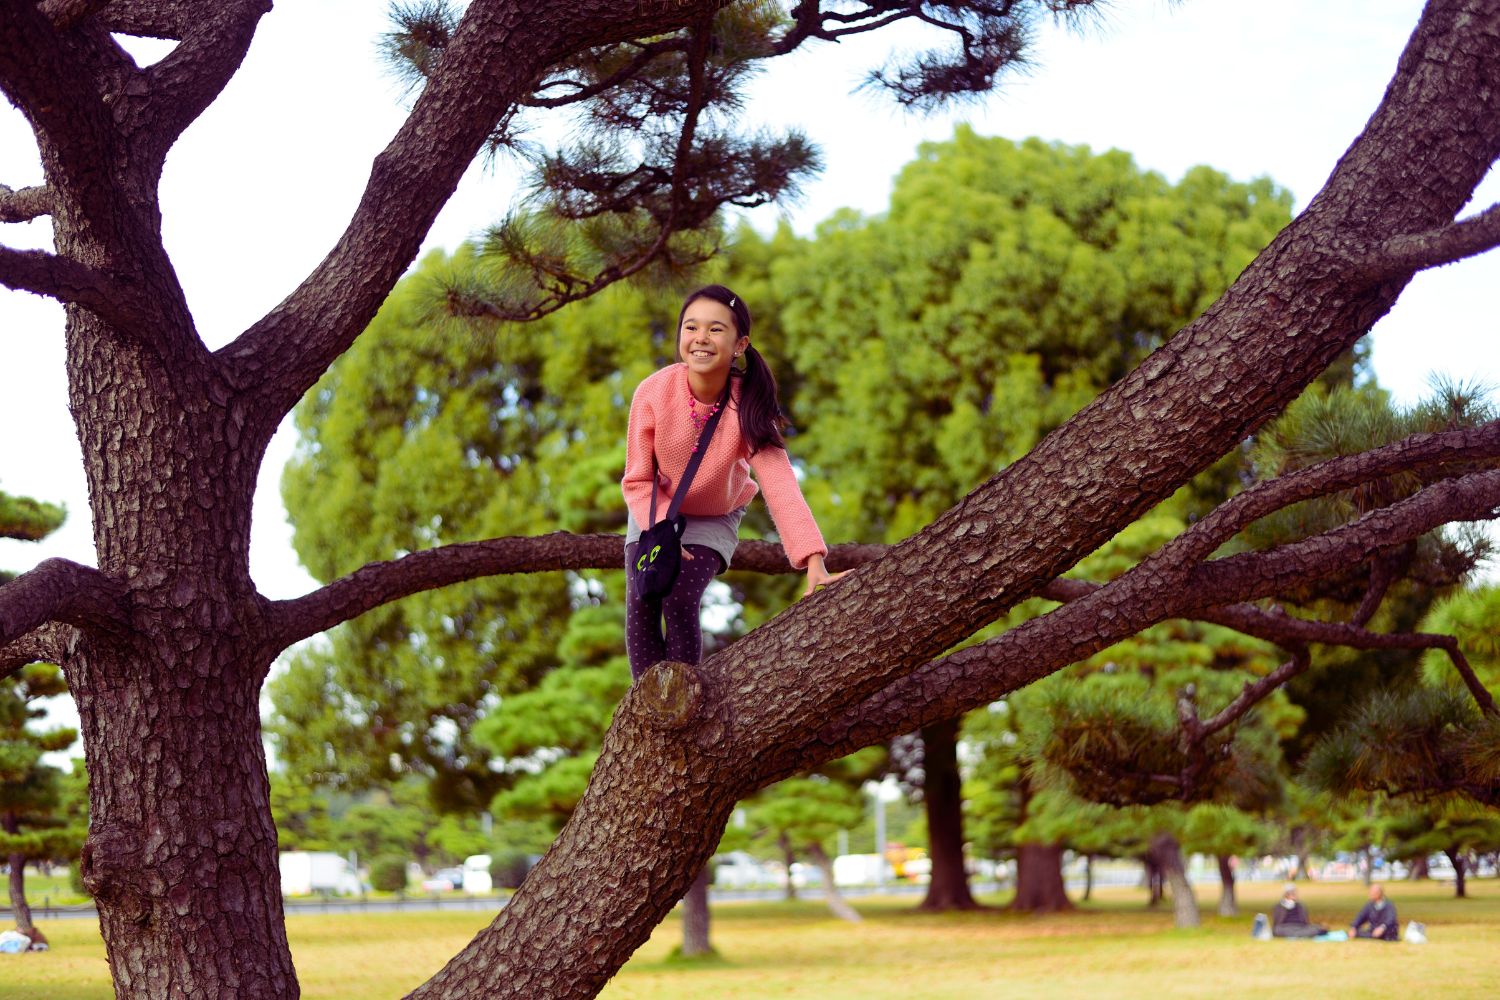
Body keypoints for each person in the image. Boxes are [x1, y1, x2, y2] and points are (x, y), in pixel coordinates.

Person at [621, 284, 847, 681]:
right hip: (656, 508)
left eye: (715, 330)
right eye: (691, 328)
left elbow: (780, 486)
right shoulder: (653, 392)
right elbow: (637, 479)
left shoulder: (749, 407)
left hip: (714, 516)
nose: (700, 339)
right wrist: (660, 529)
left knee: (679, 598)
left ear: (740, 344)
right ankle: (647, 713)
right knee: (643, 599)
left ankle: (684, 697)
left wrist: (814, 559)